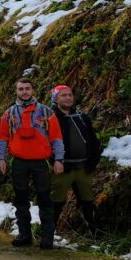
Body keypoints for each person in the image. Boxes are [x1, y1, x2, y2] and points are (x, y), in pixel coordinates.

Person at [0, 78, 64, 249]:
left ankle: (47, 237)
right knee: (20, 199)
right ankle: (24, 234)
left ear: (33, 90)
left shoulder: (47, 112)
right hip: (18, 162)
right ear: (16, 92)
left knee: (45, 199)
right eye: (21, 89)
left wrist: (59, 159)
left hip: (41, 162)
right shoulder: (9, 113)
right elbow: (2, 138)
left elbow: (56, 138)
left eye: (27, 88)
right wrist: (1, 158)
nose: (24, 92)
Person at [49, 85, 101, 231]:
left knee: (88, 201)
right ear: (55, 99)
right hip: (62, 169)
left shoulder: (82, 118)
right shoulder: (50, 119)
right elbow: (45, 144)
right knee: (55, 202)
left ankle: (96, 234)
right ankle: (47, 234)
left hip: (84, 169)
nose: (68, 98)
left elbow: (93, 141)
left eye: (70, 95)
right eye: (63, 95)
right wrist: (55, 161)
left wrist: (93, 162)